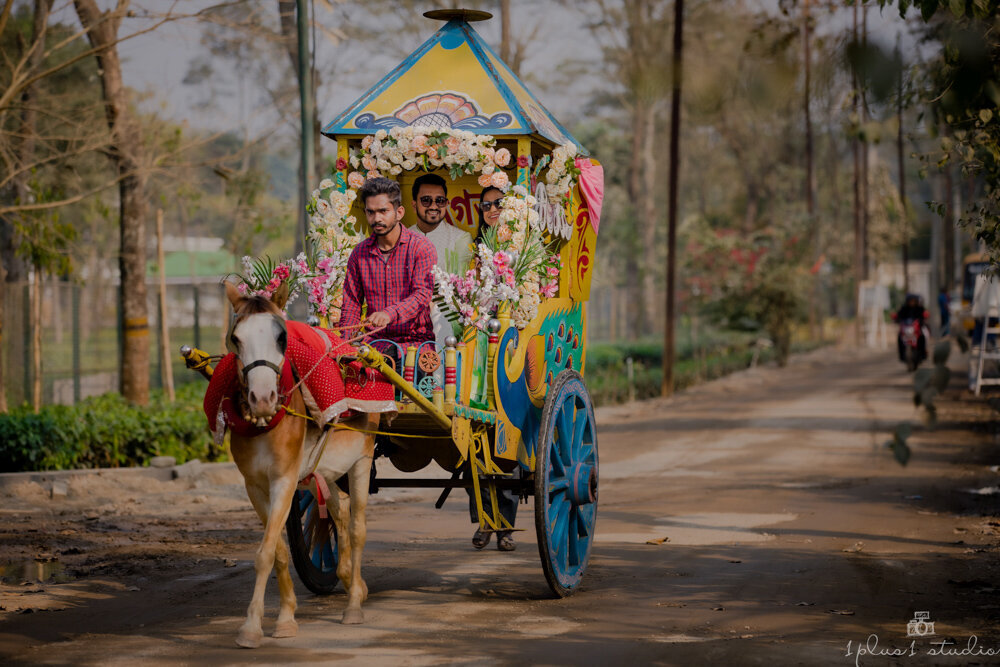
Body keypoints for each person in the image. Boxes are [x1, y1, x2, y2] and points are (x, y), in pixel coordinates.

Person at [467, 183, 519, 553]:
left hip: (513, 340)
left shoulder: (522, 243)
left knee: (507, 433)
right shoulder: (475, 247)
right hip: (479, 336)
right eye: (485, 205)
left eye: (498, 203)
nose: (491, 209)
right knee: (472, 433)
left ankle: (507, 525)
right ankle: (485, 521)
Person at [339, 177, 436, 359]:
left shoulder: (421, 247)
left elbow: (422, 295)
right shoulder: (359, 254)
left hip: (414, 345)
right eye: (371, 212)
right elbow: (351, 304)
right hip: (374, 345)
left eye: (383, 211)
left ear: (399, 212)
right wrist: (345, 345)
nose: (377, 218)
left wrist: (389, 313)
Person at [409, 173, 473, 348]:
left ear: (447, 204)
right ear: (414, 205)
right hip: (405, 312)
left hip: (445, 314)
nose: (433, 206)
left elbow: (459, 289)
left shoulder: (461, 239)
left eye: (440, 201)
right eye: (426, 200)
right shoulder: (402, 237)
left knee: (439, 314)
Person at [892, 293, 928, 362]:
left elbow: (923, 316)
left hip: (917, 328)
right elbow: (899, 316)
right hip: (907, 328)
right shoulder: (904, 308)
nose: (912, 302)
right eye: (910, 301)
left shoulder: (919, 308)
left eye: (913, 301)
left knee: (923, 336)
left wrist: (922, 320)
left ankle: (923, 353)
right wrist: (897, 319)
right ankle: (902, 356)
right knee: (899, 337)